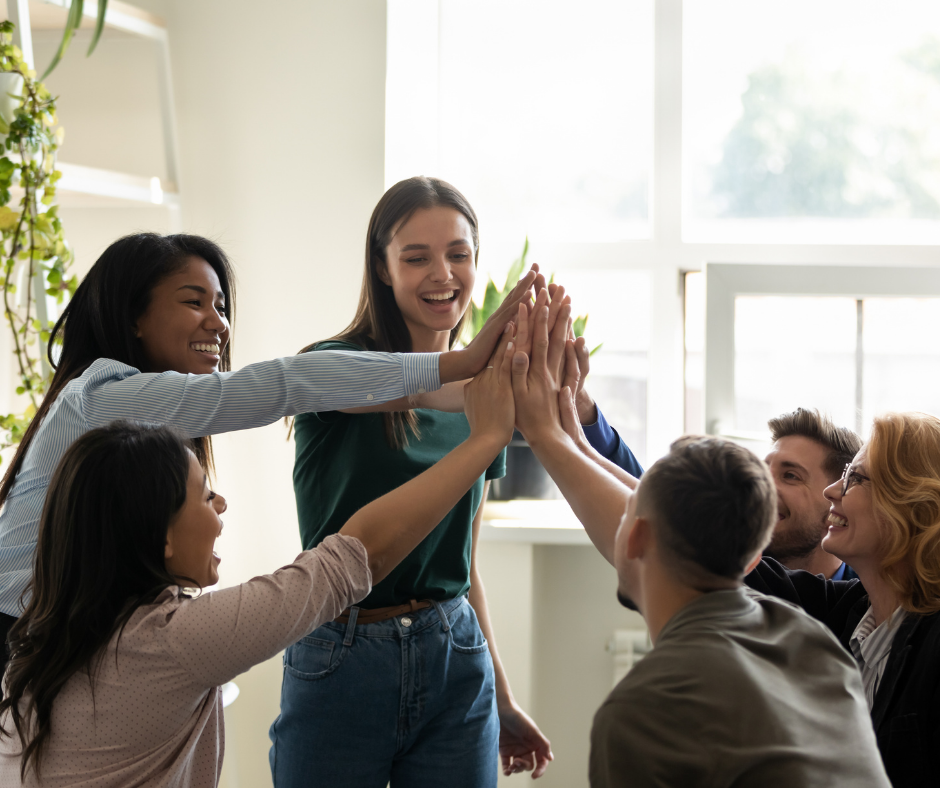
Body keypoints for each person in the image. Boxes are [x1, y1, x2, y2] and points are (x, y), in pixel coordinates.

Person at [0, 332, 517, 786]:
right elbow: (358, 554)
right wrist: (488, 437)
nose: (221, 504)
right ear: (159, 537)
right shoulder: (173, 642)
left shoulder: (37, 643)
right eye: (205, 495)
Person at [0, 232, 535, 655]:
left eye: (221, 306)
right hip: (20, 632)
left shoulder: (149, 419)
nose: (219, 324)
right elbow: (288, 384)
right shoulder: (103, 397)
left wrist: (490, 390)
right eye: (194, 302)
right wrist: (459, 363)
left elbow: (388, 393)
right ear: (134, 318)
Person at [506, 306, 891, 787]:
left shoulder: (643, 711)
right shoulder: (808, 640)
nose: (769, 489)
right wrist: (574, 424)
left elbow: (662, 508)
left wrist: (544, 431)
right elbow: (666, 500)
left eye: (791, 476)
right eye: (764, 473)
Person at [273, 177, 552, 787]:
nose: (442, 275)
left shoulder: (485, 404)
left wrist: (503, 698)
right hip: (342, 651)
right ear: (382, 267)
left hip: (454, 654)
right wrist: (476, 375)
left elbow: (466, 565)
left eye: (458, 254)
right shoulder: (332, 366)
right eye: (417, 257)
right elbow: (399, 386)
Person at [747, 411, 940, 788]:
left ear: (912, 503)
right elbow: (692, 548)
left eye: (856, 478)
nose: (832, 491)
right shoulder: (850, 612)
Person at [763, 408, 860, 579]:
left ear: (836, 501)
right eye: (762, 471)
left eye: (790, 476)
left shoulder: (875, 592)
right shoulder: (718, 581)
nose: (760, 485)